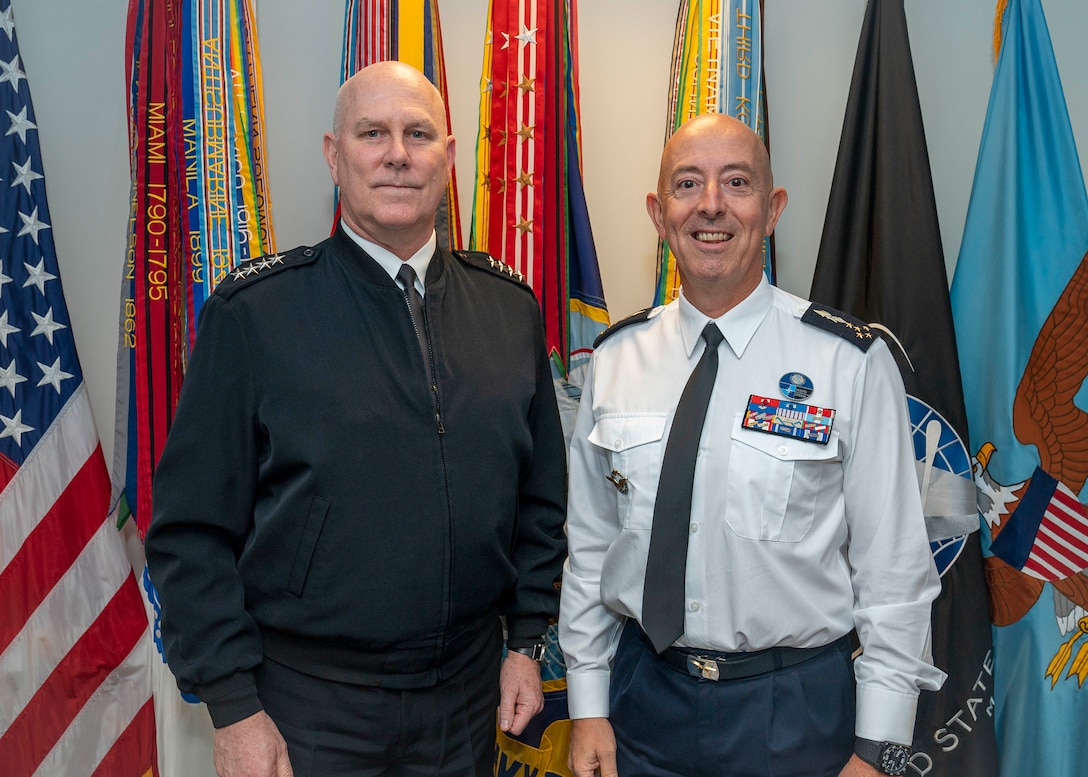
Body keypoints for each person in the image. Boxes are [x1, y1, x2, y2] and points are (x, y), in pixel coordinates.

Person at [144, 60, 567, 777]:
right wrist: (234, 706)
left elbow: (540, 500)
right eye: (372, 133)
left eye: (418, 133)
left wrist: (526, 640)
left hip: (467, 696)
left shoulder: (510, 310)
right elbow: (190, 534)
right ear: (334, 155)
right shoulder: (255, 316)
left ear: (450, 156)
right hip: (309, 704)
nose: (397, 154)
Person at [558, 112, 946, 777]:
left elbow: (894, 573)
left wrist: (879, 747)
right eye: (688, 183)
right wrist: (589, 702)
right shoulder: (617, 359)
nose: (711, 204)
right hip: (643, 698)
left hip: (796, 707)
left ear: (772, 210)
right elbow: (592, 548)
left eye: (736, 183)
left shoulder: (847, 363)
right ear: (659, 212)